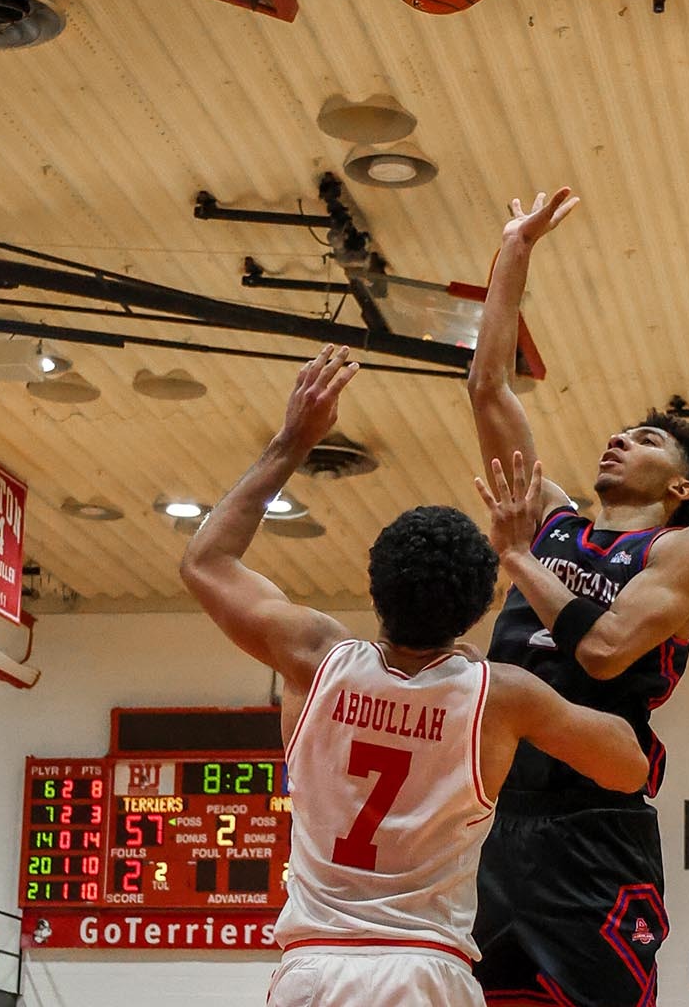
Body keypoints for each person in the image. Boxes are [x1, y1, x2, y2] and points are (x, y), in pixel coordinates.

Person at [180, 345, 652, 1007]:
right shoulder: (500, 697)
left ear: (375, 586)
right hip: (425, 972)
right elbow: (629, 769)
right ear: (481, 604)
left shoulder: (314, 657)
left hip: (313, 969)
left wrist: (292, 441)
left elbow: (205, 562)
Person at [466, 188, 689, 1005]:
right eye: (619, 432)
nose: (619, 438)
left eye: (645, 438)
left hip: (591, 820)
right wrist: (515, 252)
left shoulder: (684, 547)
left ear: (681, 485)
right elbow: (488, 391)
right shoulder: (553, 519)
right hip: (497, 814)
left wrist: (517, 558)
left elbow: (608, 649)